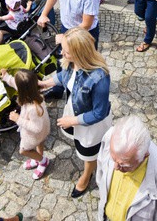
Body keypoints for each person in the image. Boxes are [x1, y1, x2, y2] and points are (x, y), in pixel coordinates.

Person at [38, 28, 111, 198]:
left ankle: (86, 176)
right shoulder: (73, 62)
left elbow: (99, 113)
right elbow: (65, 76)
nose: (62, 53)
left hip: (90, 122)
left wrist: (72, 121)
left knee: (88, 152)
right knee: (80, 145)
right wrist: (46, 83)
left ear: (79, 53)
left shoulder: (100, 78)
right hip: (77, 112)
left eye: (66, 51)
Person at [96, 115, 157, 220]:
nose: (115, 167)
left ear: (145, 155)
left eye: (124, 165)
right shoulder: (112, 138)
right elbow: (101, 170)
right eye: (113, 159)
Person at [0, 68, 51, 179]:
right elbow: (16, 84)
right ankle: (38, 158)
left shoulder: (33, 108)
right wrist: (6, 76)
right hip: (43, 130)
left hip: (35, 133)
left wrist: (18, 119)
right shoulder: (32, 92)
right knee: (40, 143)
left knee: (24, 150)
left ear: (22, 90)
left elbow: (36, 128)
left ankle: (42, 161)